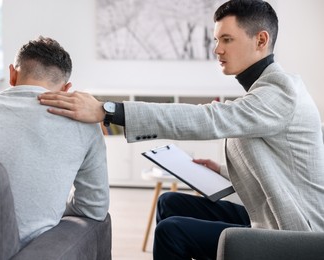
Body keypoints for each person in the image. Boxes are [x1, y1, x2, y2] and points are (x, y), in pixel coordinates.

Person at [38, 0, 324, 259]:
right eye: (216, 39)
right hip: (265, 216)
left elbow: (208, 119)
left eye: (227, 39)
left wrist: (109, 110)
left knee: (172, 231)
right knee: (169, 202)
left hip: (294, 233)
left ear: (261, 39)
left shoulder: (280, 92)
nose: (217, 50)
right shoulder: (267, 91)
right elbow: (281, 165)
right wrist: (222, 171)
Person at [0, 36, 110, 248]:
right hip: (24, 248)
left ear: (12, 74)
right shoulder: (83, 124)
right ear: (66, 89)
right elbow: (93, 208)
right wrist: (50, 207)